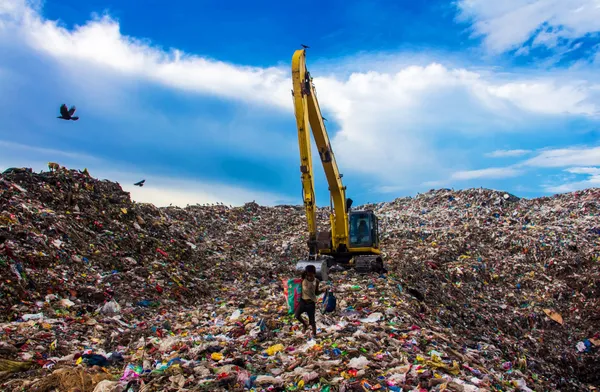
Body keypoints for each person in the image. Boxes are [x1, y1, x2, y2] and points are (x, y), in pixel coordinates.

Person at [295, 265, 319, 337]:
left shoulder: (316, 281)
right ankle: (305, 324)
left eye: (311, 274)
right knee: (297, 315)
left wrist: (324, 290)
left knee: (312, 321)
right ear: (306, 273)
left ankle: (314, 335)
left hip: (311, 303)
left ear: (314, 273)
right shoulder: (303, 280)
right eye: (308, 274)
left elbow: (316, 292)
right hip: (303, 301)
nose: (310, 276)